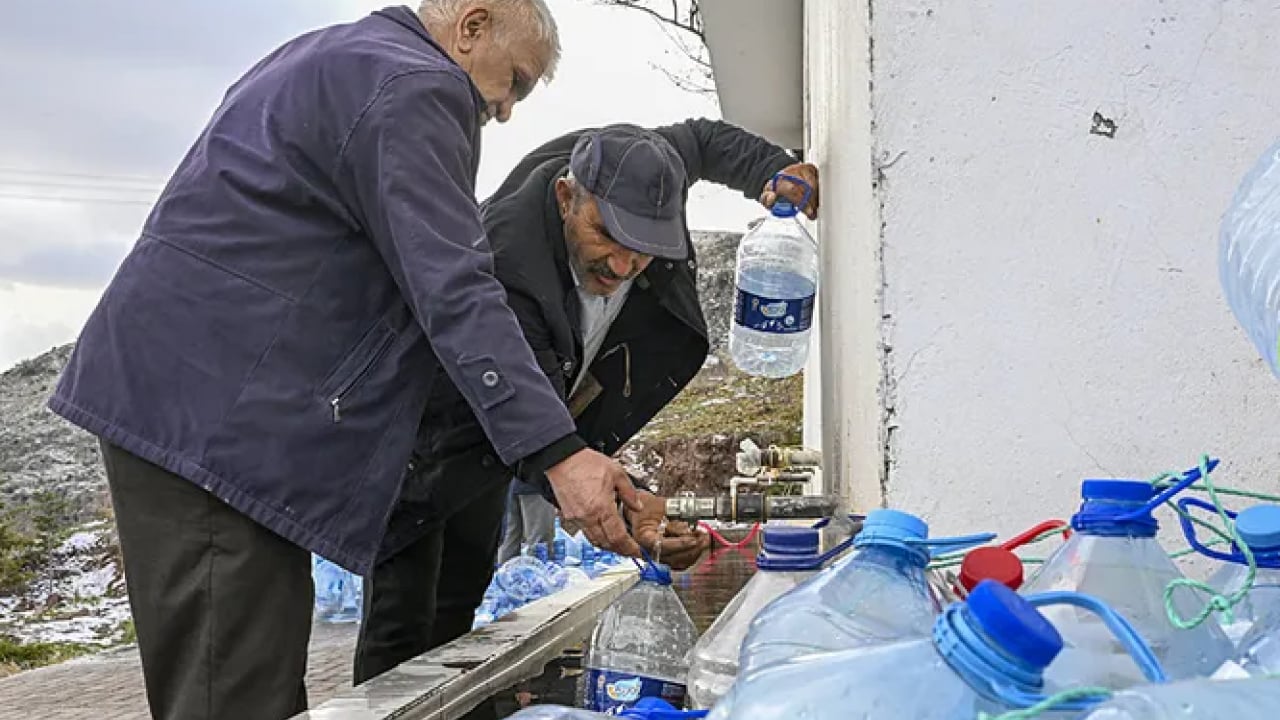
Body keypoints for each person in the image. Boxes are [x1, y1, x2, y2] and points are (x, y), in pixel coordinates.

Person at [46, 3, 646, 719]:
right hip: (213, 428)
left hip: (198, 411)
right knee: (232, 695)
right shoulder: (415, 87)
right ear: (473, 26)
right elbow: (453, 289)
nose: (507, 109)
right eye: (514, 82)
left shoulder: (338, 58)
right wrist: (559, 451)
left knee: (240, 678)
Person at [356, 120, 820, 683]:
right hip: (429, 433)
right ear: (566, 197)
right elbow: (545, 429)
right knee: (403, 625)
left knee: (458, 604)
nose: (622, 266)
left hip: (500, 449)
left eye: (644, 249)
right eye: (607, 236)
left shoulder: (646, 167)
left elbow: (700, 142)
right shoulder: (506, 267)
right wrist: (630, 509)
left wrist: (768, 170)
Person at [497, 477, 559, 564]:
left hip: (513, 483)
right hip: (536, 486)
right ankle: (537, 574)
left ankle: (503, 574)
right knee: (540, 544)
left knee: (510, 539)